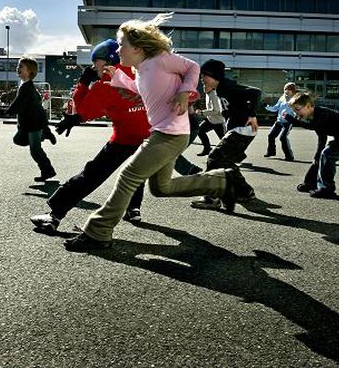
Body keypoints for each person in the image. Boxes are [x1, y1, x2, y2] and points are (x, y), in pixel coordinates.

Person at [64, 13, 239, 252]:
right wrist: (119, 78)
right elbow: (139, 87)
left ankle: (98, 231)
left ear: (136, 47)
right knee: (161, 187)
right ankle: (220, 182)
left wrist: (186, 91)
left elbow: (192, 67)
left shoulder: (160, 59)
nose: (118, 49)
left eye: (121, 44)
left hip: (170, 134)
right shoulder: (141, 69)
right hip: (167, 133)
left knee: (128, 176)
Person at [30, 39, 151, 232]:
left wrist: (83, 83)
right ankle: (134, 208)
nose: (94, 66)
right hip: (151, 139)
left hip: (123, 140)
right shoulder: (143, 74)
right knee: (136, 173)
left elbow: (84, 110)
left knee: (91, 175)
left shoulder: (104, 85)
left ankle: (54, 216)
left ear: (109, 61)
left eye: (96, 62)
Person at [190, 59, 260, 210]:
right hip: (239, 129)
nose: (202, 80)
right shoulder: (220, 89)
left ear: (214, 75)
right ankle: (245, 192)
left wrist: (252, 114)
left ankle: (211, 198)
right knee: (226, 162)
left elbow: (255, 93)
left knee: (214, 158)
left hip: (242, 129)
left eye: (204, 77)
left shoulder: (227, 86)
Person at [285, 92, 339, 199]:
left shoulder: (320, 114)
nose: (296, 113)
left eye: (297, 109)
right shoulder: (315, 116)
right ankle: (310, 183)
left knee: (327, 155)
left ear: (308, 106)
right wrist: (317, 156)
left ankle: (327, 188)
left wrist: (293, 121)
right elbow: (321, 134)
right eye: (294, 111)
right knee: (322, 156)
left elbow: (314, 129)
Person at [7, 56, 57, 182]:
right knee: (18, 139)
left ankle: (48, 171)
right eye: (18, 66)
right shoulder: (25, 85)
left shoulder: (27, 87)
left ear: (29, 71)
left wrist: (9, 110)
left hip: (34, 123)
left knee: (35, 150)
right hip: (31, 122)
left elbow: (19, 102)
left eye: (21, 67)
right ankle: (45, 133)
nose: (18, 68)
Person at [195, 71, 226, 156]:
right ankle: (207, 148)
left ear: (211, 87)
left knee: (224, 140)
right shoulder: (208, 94)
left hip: (218, 122)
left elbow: (216, 110)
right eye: (204, 85)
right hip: (210, 120)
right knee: (200, 131)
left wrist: (202, 113)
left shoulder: (214, 95)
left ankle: (236, 153)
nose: (204, 87)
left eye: (206, 86)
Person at [264, 82, 296, 161]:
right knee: (271, 136)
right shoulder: (282, 98)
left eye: (289, 90)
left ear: (293, 91)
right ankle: (271, 152)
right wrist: (267, 107)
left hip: (288, 122)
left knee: (283, 138)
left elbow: (297, 111)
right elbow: (275, 108)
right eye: (285, 89)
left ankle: (289, 156)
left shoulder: (295, 99)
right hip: (279, 121)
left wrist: (294, 118)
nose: (286, 91)